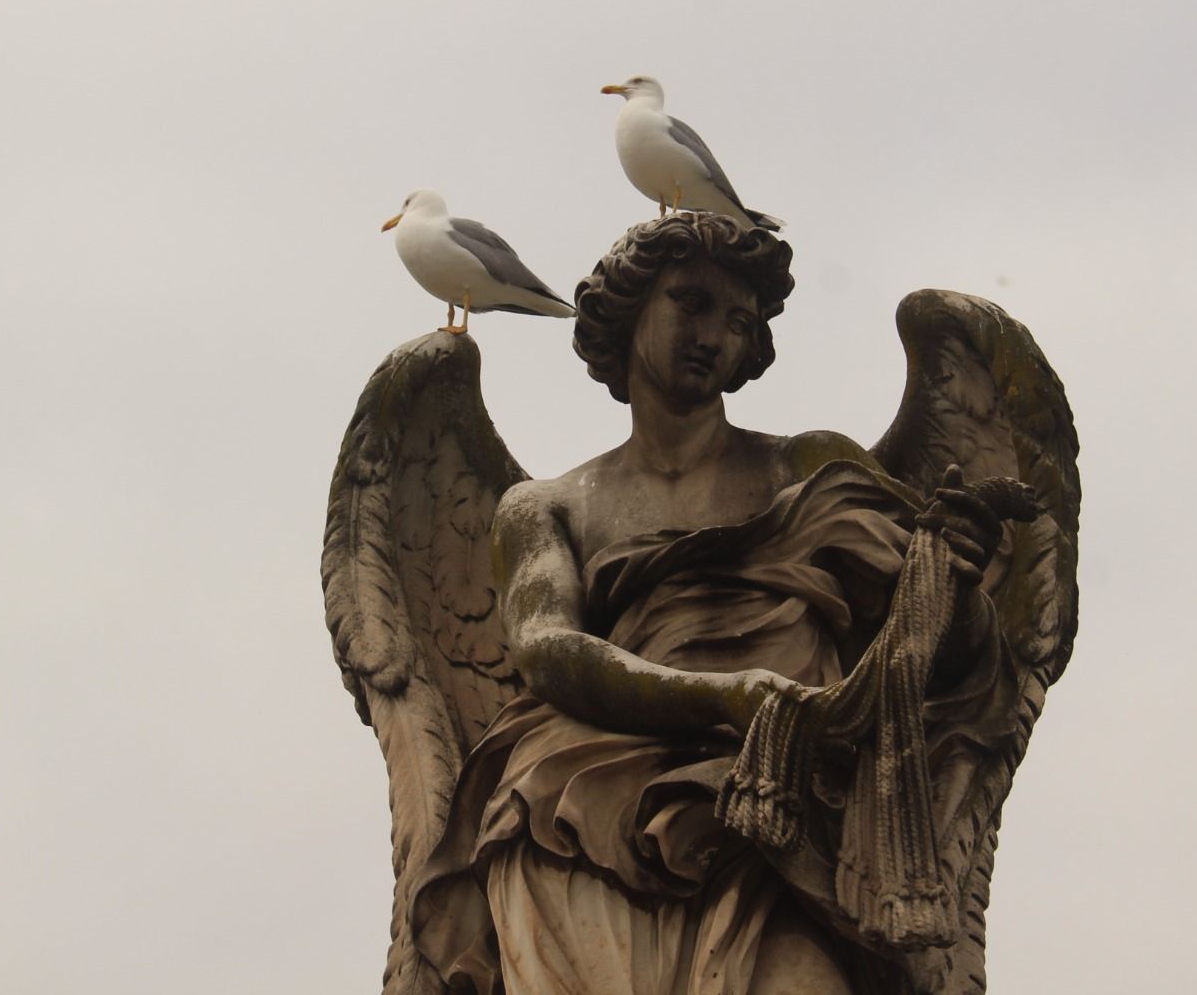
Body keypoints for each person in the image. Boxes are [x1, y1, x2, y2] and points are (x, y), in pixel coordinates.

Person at [410, 214, 1008, 995]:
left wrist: (954, 582)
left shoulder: (807, 469)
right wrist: (725, 697)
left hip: (783, 809)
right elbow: (547, 649)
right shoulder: (548, 507)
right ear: (627, 311)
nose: (714, 337)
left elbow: (943, 660)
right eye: (691, 303)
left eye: (739, 322)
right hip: (580, 805)